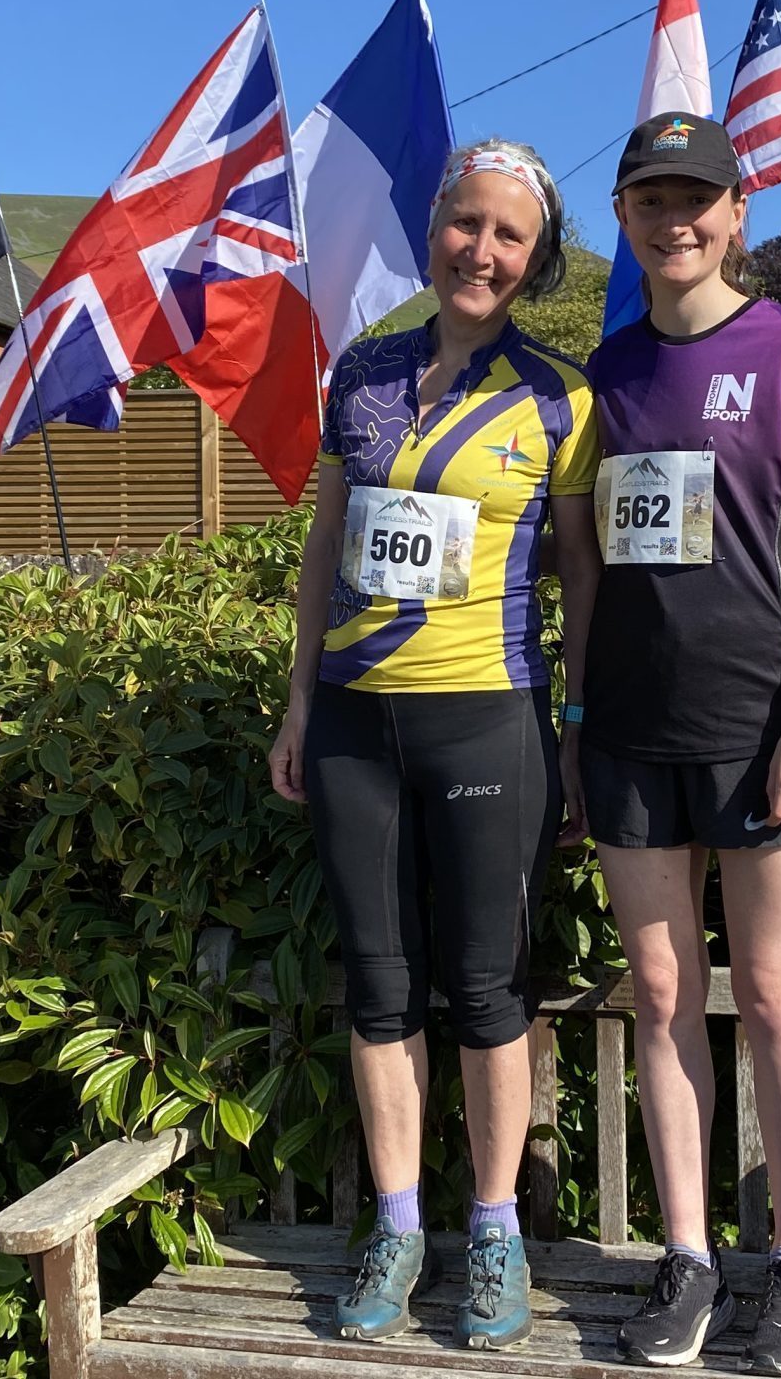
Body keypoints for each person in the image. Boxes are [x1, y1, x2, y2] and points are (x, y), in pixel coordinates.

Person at [269, 138, 601, 1353]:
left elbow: (582, 576)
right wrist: (300, 699)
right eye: (467, 224)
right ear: (434, 233)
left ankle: (496, 1226)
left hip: (488, 715)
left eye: (509, 235)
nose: (483, 249)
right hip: (357, 719)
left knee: (484, 988)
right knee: (378, 983)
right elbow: (322, 549)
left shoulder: (560, 396)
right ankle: (400, 1225)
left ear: (536, 259)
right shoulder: (360, 371)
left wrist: (573, 727)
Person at [571, 112, 781, 1377]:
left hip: (763, 735)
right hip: (630, 737)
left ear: (736, 213)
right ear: (624, 220)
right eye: (649, 200)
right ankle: (687, 1257)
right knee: (666, 997)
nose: (674, 219)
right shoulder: (604, 370)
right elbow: (583, 570)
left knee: (777, 995)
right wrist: (578, 720)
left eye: (697, 198)